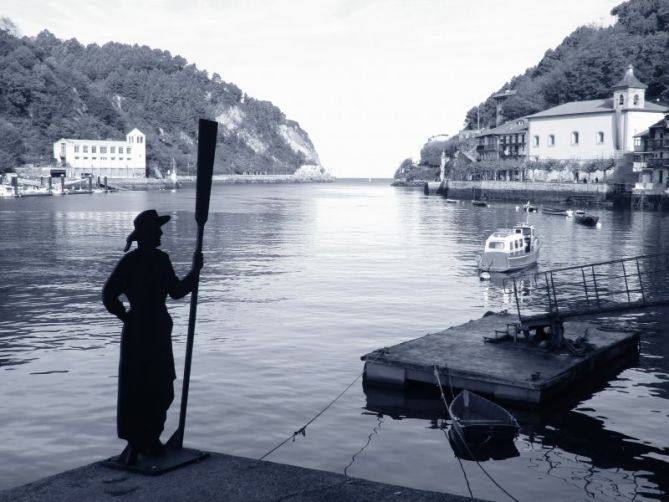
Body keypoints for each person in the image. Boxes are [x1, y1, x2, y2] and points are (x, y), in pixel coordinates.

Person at [102, 209, 203, 465]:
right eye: (156, 229)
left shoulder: (159, 259)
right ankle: (141, 440)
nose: (160, 233)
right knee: (145, 385)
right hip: (147, 331)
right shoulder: (138, 261)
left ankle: (149, 438)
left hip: (151, 330)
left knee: (159, 385)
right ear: (146, 234)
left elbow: (176, 290)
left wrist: (194, 273)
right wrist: (126, 317)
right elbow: (109, 295)